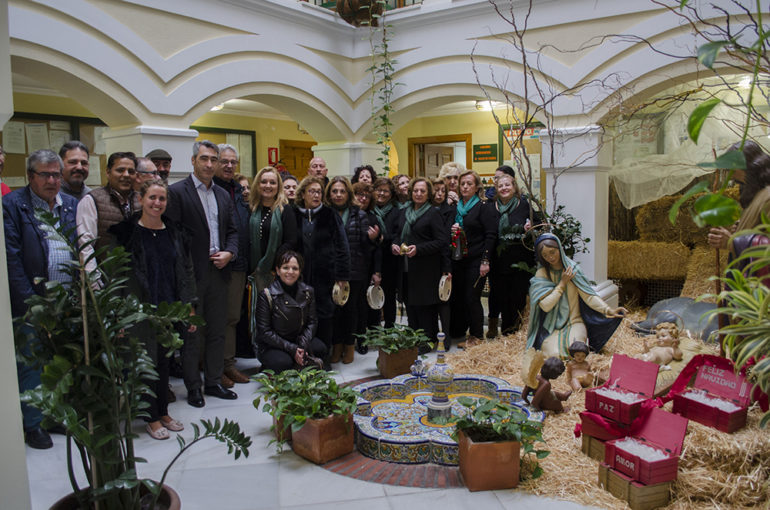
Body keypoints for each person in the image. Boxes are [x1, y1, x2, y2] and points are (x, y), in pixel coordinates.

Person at [109, 179, 196, 440]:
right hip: (139, 310)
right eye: (152, 198)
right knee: (144, 364)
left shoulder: (174, 232)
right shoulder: (126, 234)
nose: (157, 203)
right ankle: (151, 418)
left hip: (169, 308)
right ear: (141, 199)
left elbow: (186, 271)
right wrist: (122, 316)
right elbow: (119, 276)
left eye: (162, 199)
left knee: (164, 363)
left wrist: (190, 307)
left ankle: (163, 411)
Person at [4, 149, 78, 449]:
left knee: (60, 362)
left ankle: (55, 416)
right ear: (29, 176)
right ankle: (33, 424)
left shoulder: (70, 205)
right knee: (32, 365)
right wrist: (30, 303)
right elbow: (12, 259)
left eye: (56, 175)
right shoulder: (12, 206)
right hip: (32, 303)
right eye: (45, 175)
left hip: (66, 302)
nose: (52, 180)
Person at [166, 140, 239, 407]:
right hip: (192, 274)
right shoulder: (176, 192)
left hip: (219, 272)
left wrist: (230, 253)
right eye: (204, 159)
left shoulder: (222, 194)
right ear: (194, 160)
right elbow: (174, 240)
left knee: (218, 330)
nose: (210, 164)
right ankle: (193, 387)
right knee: (192, 332)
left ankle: (213, 381)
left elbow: (233, 231)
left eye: (214, 160)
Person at [526, 233, 627, 358]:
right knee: (554, 355)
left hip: (575, 323)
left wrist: (608, 310)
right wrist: (562, 284)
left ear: (560, 249)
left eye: (552, 252)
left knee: (574, 352)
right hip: (552, 327)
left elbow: (589, 296)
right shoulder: (542, 274)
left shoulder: (573, 270)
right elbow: (546, 306)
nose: (550, 258)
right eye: (545, 255)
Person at [290, 176, 350, 355]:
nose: (316, 195)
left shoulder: (329, 214)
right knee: (300, 314)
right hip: (298, 276)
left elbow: (342, 246)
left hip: (325, 275)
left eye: (319, 192)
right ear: (302, 194)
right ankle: (302, 354)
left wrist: (341, 276)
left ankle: (324, 356)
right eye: (312, 191)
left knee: (324, 315)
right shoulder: (292, 213)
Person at [392, 178, 450, 350]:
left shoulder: (433, 213)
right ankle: (413, 339)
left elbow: (441, 241)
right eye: (415, 190)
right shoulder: (404, 211)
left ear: (428, 193)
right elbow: (397, 234)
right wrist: (394, 245)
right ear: (410, 192)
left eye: (422, 191)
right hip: (406, 268)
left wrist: (419, 249)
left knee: (425, 307)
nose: (418, 194)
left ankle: (427, 340)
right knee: (410, 305)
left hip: (426, 269)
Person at [213, 144, 252, 387]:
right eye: (223, 161)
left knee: (231, 317)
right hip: (215, 262)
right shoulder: (210, 190)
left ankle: (227, 364)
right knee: (213, 318)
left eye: (232, 162)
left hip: (238, 265)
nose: (228, 165)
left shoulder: (239, 192)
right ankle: (213, 367)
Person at [326, 176, 374, 364]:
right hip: (330, 271)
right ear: (329, 194)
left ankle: (350, 346)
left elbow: (365, 246)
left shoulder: (359, 214)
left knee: (351, 311)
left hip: (355, 271)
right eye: (334, 191)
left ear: (348, 193)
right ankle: (336, 346)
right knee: (334, 312)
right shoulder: (325, 213)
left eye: (342, 191)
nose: (338, 195)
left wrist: (374, 239)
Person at [254, 251, 328, 372]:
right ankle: (270, 366)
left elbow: (312, 322)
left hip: (298, 339)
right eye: (285, 268)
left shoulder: (308, 292)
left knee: (321, 349)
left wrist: (302, 344)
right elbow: (264, 332)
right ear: (278, 270)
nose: (290, 272)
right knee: (283, 363)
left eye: (295, 268)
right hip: (273, 344)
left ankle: (298, 362)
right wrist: (292, 349)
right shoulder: (266, 295)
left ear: (300, 272)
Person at [449, 169, 496, 348]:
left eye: (469, 184)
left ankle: (477, 335)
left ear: (477, 187)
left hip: (477, 259)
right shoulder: (455, 207)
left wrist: (486, 261)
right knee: (460, 297)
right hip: (459, 259)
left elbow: (490, 235)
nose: (465, 187)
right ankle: (464, 332)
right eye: (463, 184)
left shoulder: (483, 206)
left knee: (472, 297)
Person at [488, 171, 536, 336]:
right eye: (500, 186)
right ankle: (501, 329)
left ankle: (513, 331)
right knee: (500, 296)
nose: (504, 188)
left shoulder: (524, 205)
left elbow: (539, 223)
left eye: (507, 185)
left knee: (517, 297)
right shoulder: (491, 208)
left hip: (520, 262)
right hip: (498, 262)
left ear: (515, 187)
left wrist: (530, 228)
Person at [76, 152, 141, 275]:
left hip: (136, 280)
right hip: (107, 281)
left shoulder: (141, 200)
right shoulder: (92, 200)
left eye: (131, 171)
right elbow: (85, 245)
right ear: (108, 172)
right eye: (120, 170)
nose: (126, 175)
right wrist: (94, 282)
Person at [248, 165, 297, 292]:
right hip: (251, 271)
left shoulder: (285, 210)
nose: (268, 186)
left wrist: (271, 263)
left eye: (272, 182)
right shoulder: (250, 209)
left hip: (276, 271)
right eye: (263, 182)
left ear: (278, 186)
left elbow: (291, 241)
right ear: (257, 185)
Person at [353, 181, 382, 347]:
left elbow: (377, 249)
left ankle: (363, 341)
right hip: (349, 268)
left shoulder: (372, 218)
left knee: (363, 306)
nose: (363, 199)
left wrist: (377, 271)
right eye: (359, 195)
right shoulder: (347, 213)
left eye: (366, 197)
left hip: (366, 267)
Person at [372, 177, 401, 327]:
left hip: (390, 260)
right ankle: (373, 330)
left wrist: (383, 238)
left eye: (386, 191)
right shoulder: (368, 210)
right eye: (379, 190)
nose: (381, 193)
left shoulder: (396, 211)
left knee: (389, 296)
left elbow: (398, 233)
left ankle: (390, 329)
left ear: (391, 194)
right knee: (372, 295)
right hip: (371, 260)